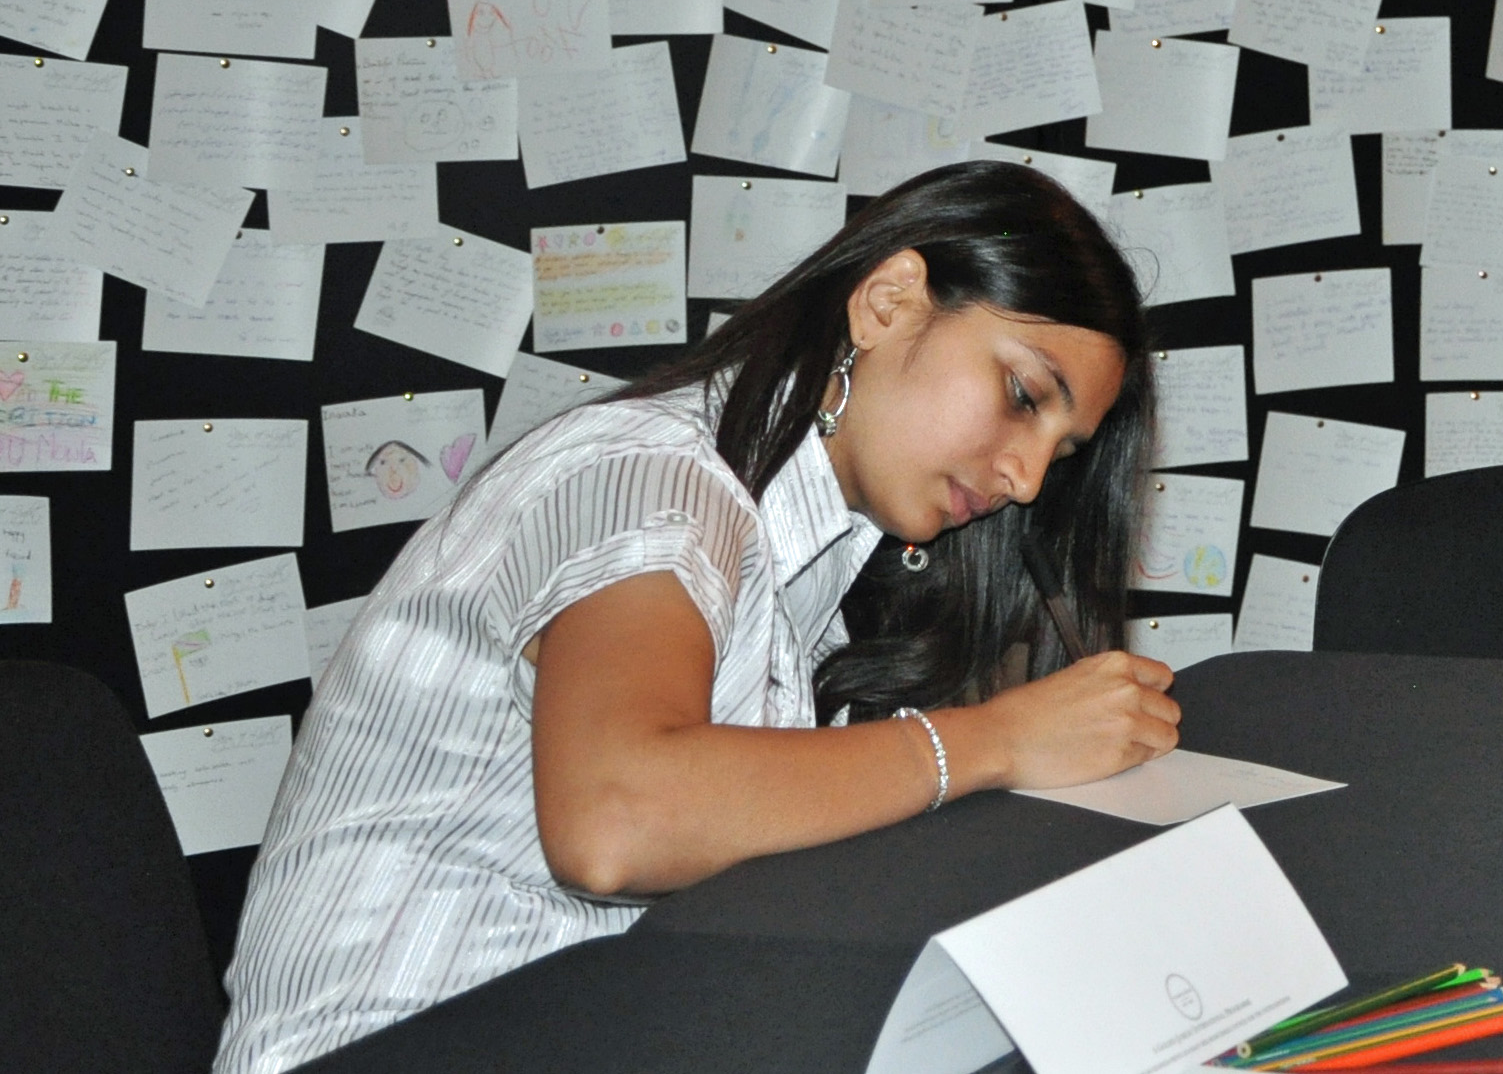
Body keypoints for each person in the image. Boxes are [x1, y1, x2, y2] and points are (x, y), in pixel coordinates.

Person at [217, 164, 1175, 1074]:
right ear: (888, 303)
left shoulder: (806, 558)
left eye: (1061, 449)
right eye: (1022, 395)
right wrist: (994, 741)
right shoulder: (653, 477)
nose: (1026, 477)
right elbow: (615, 820)